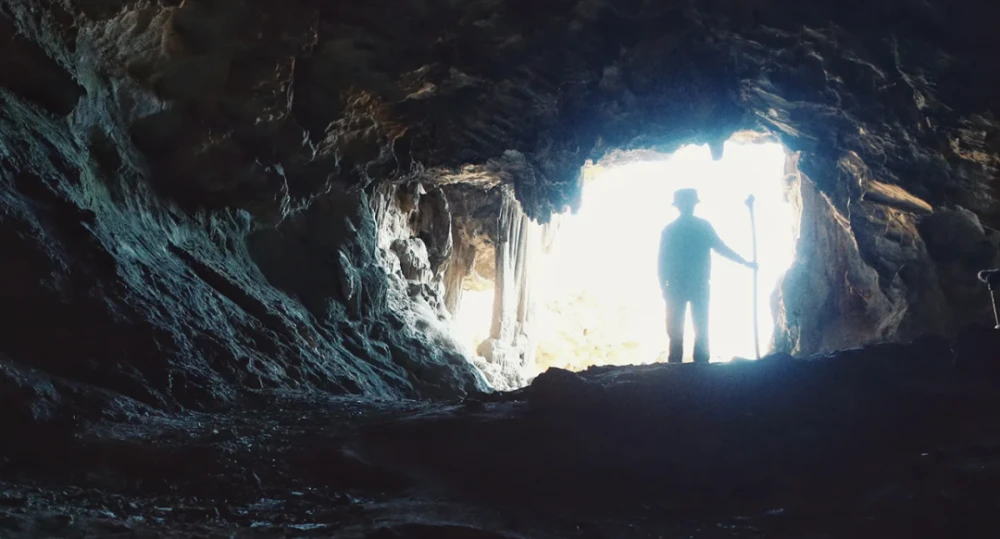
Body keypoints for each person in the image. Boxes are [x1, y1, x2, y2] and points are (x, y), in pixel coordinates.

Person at [658, 188, 756, 364]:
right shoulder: (700, 227)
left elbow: (662, 262)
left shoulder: (671, 230)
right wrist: (744, 262)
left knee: (681, 330)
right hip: (693, 285)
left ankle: (678, 368)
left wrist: (744, 262)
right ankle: (698, 369)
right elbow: (721, 248)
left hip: (680, 286)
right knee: (692, 329)